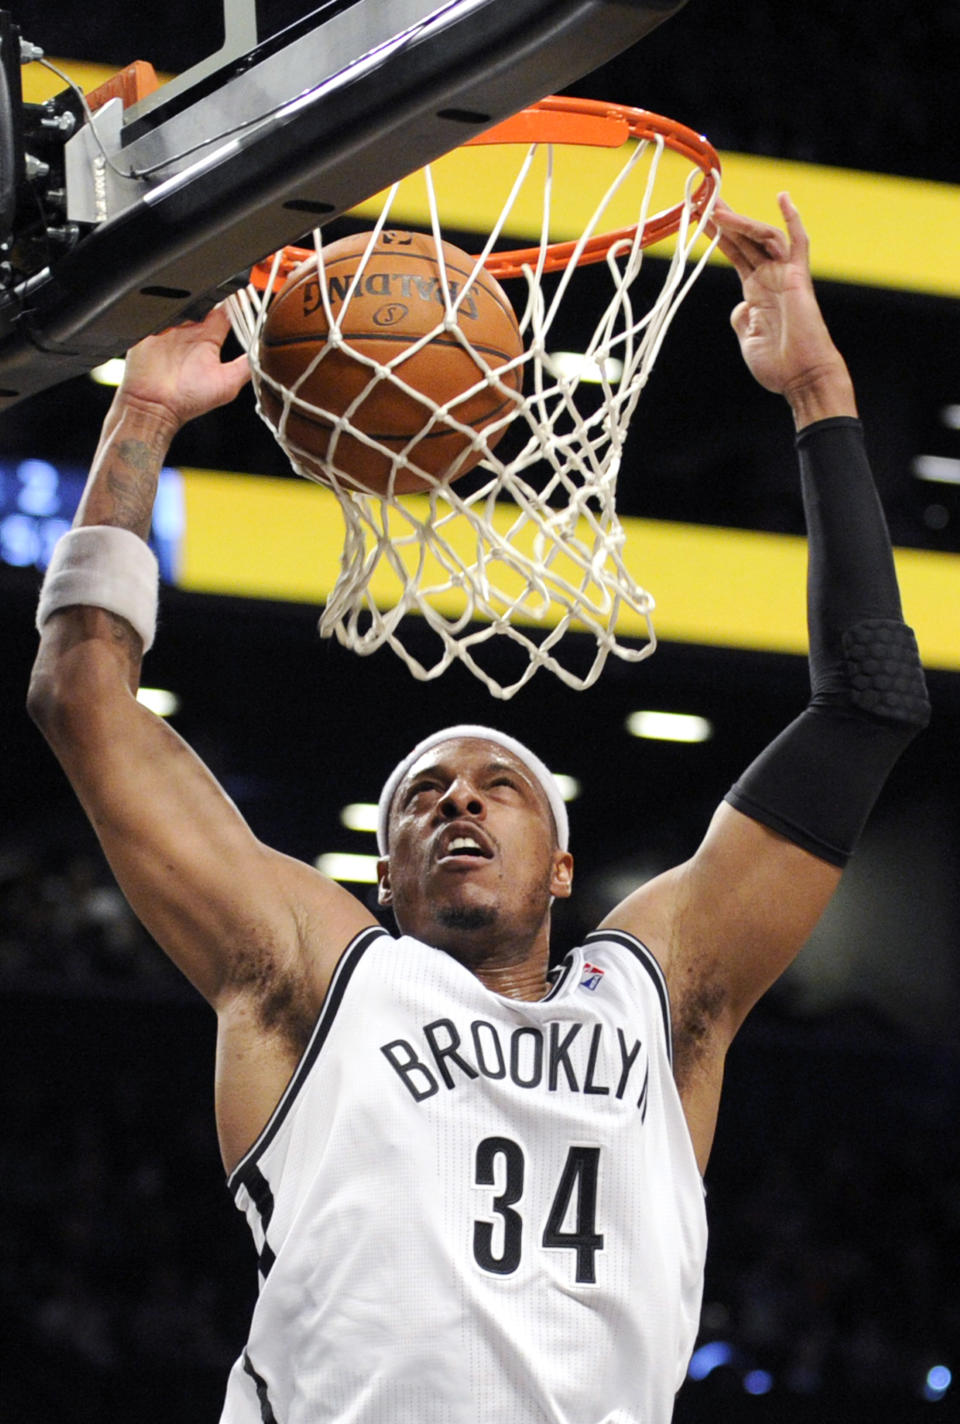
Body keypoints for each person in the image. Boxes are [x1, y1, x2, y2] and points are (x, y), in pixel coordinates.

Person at [27, 194, 929, 1424]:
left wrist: (820, 388)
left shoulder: (654, 998)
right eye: (423, 795)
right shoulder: (322, 977)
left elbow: (871, 704)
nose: (460, 798)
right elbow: (83, 692)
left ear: (562, 868)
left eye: (500, 786)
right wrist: (140, 411)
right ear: (383, 878)